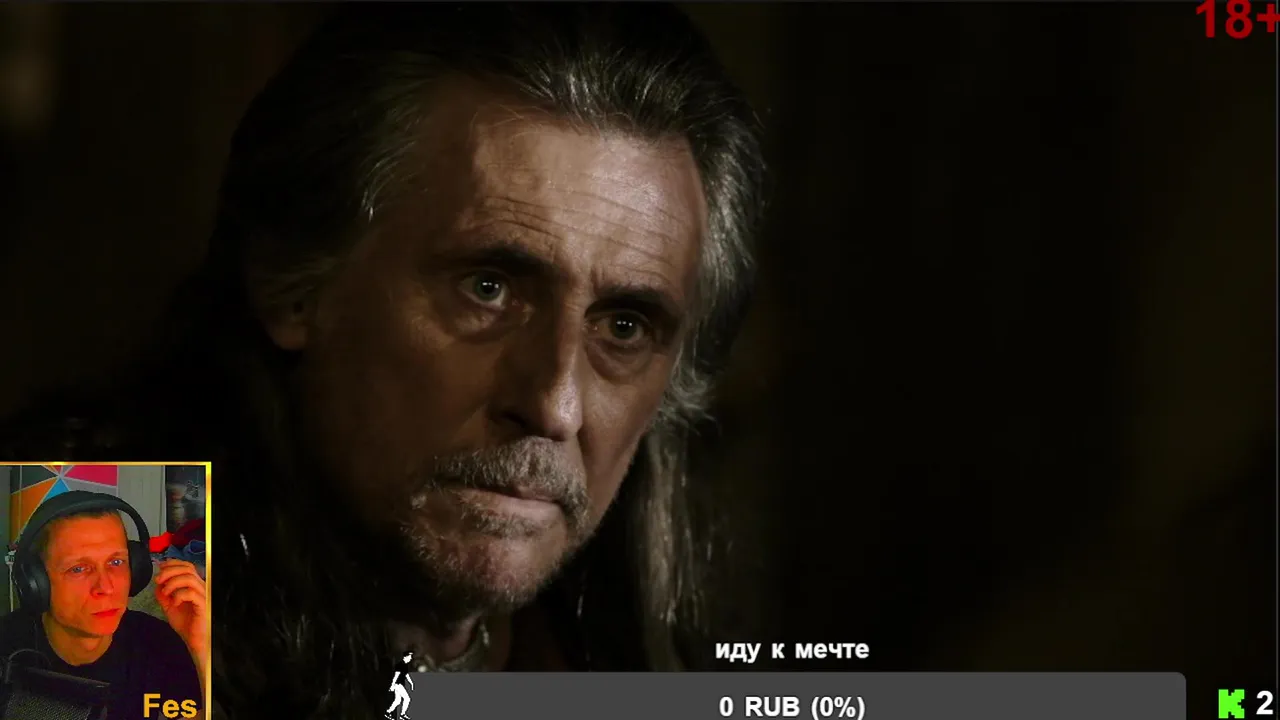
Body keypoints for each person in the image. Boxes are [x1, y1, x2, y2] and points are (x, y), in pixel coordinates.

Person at [0, 3, 765, 718]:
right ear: (293, 285)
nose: (553, 403)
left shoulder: (658, 666)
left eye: (624, 327)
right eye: (488, 289)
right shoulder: (76, 610)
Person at [0, 492, 207, 719]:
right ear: (36, 582)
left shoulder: (157, 642)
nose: (106, 587)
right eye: (78, 568)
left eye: (116, 562)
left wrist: (201, 645)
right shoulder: (6, 645)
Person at [386, 651, 415, 720]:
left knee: (397, 701)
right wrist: (392, 685)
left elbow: (406, 675)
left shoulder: (405, 665)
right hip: (398, 685)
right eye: (409, 657)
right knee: (407, 699)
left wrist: (411, 683)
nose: (411, 658)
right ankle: (402, 714)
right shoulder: (399, 665)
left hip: (400, 685)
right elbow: (396, 676)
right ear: (405, 657)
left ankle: (388, 712)